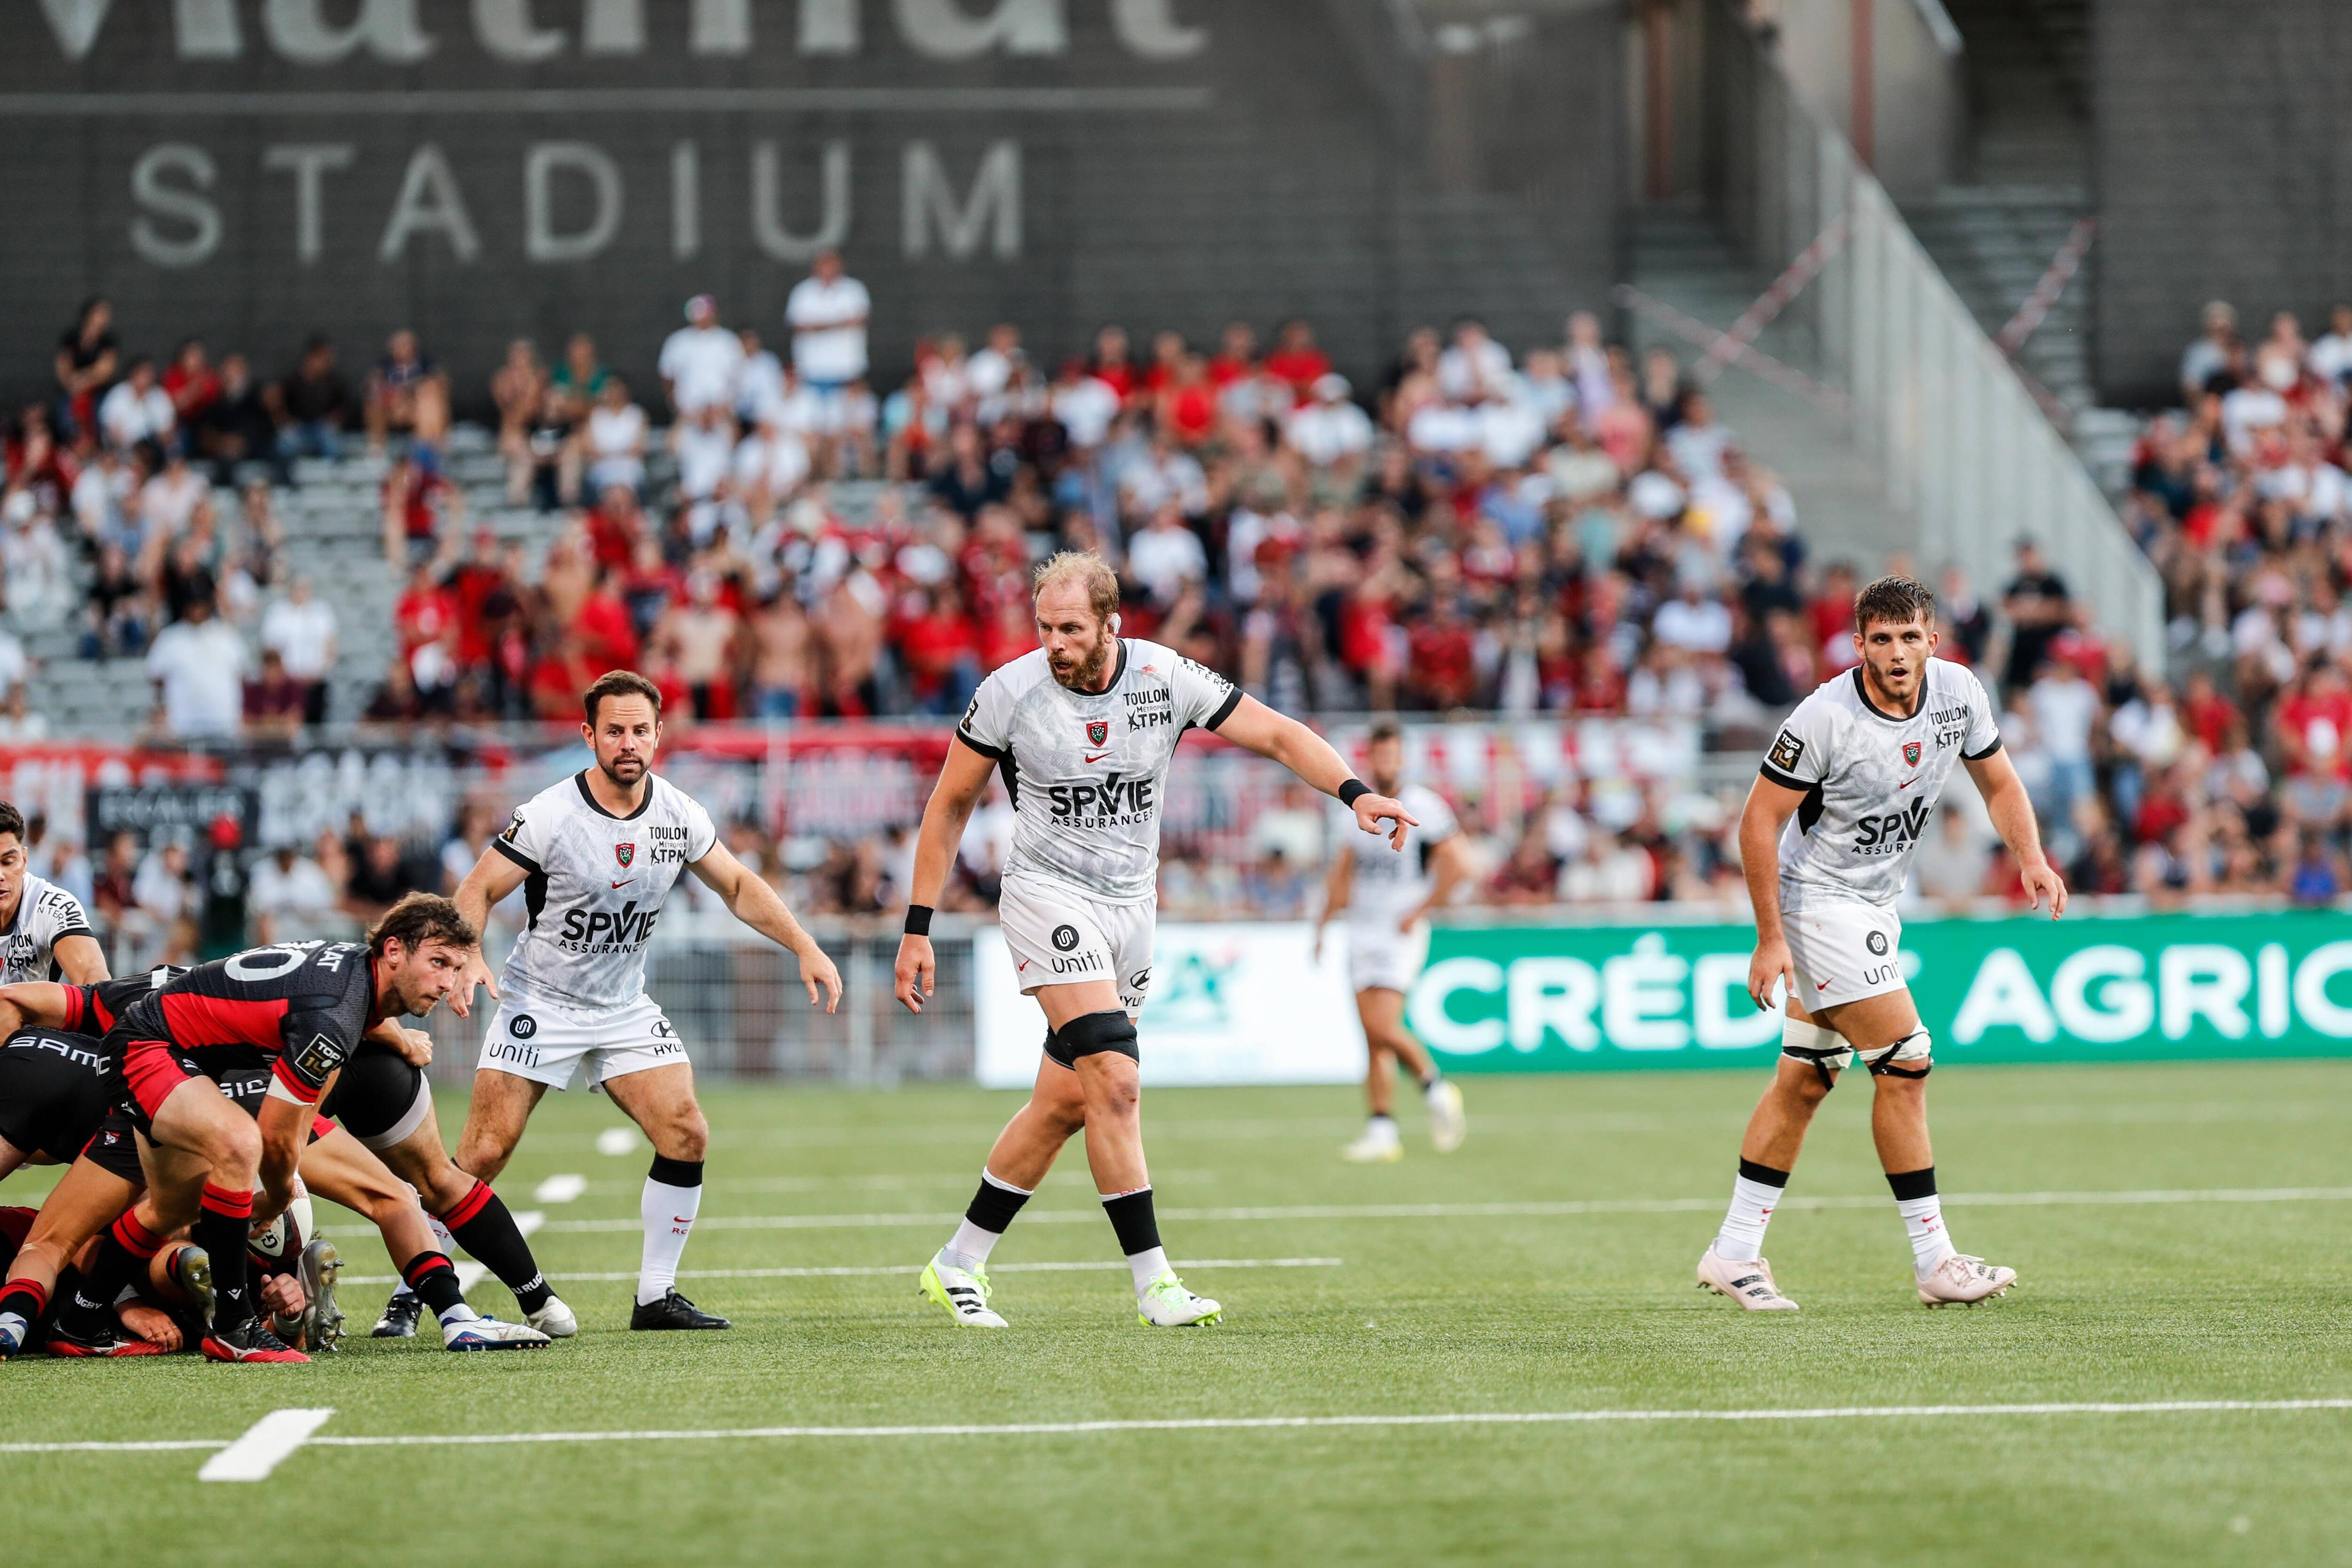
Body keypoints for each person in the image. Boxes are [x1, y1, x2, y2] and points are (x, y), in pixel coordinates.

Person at [892, 551, 1418, 1328]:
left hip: (1133, 911)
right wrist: (918, 926)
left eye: (1070, 628)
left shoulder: (1166, 678)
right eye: (1044, 627)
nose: (1055, 643)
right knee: (1115, 1075)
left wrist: (1354, 790)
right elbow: (948, 806)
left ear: (1112, 623)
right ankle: (1155, 1283)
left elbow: (1273, 733)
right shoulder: (1009, 693)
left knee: (1066, 1102)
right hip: (1046, 896)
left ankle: (958, 1261)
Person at [1697, 576, 2060, 1313]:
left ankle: (1733, 1253)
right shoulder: (1824, 716)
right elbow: (1757, 821)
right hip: (1817, 899)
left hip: (1875, 901)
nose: (1897, 654)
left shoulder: (1960, 692)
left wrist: (2031, 857)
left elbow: (2000, 784)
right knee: (1906, 1060)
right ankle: (1936, 1260)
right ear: (1858, 643)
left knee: (1806, 1076)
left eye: (1910, 638)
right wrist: (1771, 937)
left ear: (1934, 640)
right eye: (1881, 639)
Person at [447, 671, 843, 1330]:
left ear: (659, 735)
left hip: (622, 1005)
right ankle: (415, 1284)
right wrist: (470, 954)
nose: (628, 743)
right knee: (485, 1151)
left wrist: (803, 944)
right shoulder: (550, 814)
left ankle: (655, 1297)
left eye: (639, 730)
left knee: (686, 1131)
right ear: (589, 736)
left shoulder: (680, 814)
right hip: (539, 1000)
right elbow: (477, 889)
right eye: (614, 731)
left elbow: (739, 885)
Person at [51, 896, 541, 1361]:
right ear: (393, 950)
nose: (448, 982)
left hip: (182, 1056)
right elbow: (277, 1137)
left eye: (457, 968)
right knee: (239, 1146)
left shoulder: (355, 978)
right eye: (439, 963)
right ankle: (234, 1327)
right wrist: (281, 1197)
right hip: (149, 1048)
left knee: (169, 1207)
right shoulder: (332, 1017)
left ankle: (79, 1323)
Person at [1312, 724, 1470, 1162]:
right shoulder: (1354, 805)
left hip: (1398, 931)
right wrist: (1323, 924)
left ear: (1402, 759)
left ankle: (1436, 1087)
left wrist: (1419, 911)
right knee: (1371, 1036)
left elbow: (1460, 864)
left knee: (1382, 1025)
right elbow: (1343, 871)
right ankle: (1382, 1128)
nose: (1385, 762)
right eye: (1378, 754)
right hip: (1362, 927)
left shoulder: (1424, 806)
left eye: (1392, 755)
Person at [0, 801, 104, 986]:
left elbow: (94, 978)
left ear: (24, 860)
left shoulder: (54, 906)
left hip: (34, 1014)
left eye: (8, 862)